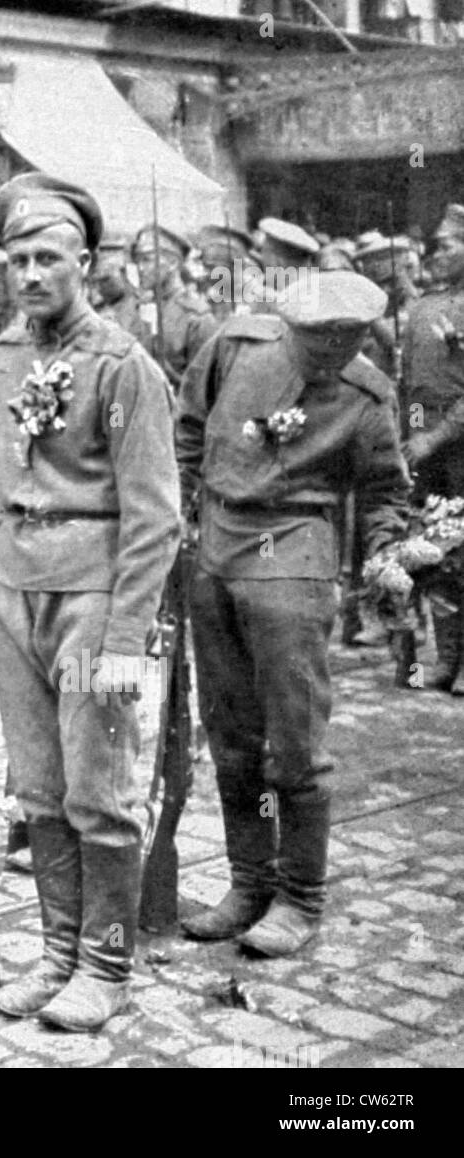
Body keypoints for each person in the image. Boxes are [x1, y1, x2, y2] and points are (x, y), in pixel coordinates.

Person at [0, 172, 180, 1030]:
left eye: (49, 257)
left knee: (99, 788)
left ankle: (104, 963)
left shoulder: (122, 368)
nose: (32, 274)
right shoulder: (4, 354)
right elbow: (5, 482)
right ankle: (55, 953)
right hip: (15, 591)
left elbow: (155, 517)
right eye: (18, 259)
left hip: (91, 591)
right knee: (39, 788)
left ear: (85, 262)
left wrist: (125, 637)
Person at [177, 272, 409, 955]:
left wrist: (385, 554)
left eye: (349, 340)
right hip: (216, 548)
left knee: (294, 742)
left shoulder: (368, 396)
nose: (330, 353)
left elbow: (383, 491)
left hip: (294, 553)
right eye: (316, 339)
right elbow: (188, 429)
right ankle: (248, 882)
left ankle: (299, 898)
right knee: (230, 735)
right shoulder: (234, 346)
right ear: (288, 326)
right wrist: (186, 513)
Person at [402, 207, 464, 694]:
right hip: (428, 452)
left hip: (457, 444)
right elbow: (413, 386)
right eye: (434, 246)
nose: (435, 255)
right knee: (434, 549)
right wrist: (412, 437)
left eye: (447, 245)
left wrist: (434, 437)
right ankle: (445, 660)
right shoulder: (422, 308)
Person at [131, 223, 217, 387]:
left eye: (147, 260)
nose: (140, 269)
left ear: (172, 263)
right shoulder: (139, 310)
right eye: (138, 261)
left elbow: (204, 387)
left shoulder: (196, 317)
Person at [88, 228, 144, 339]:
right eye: (94, 283)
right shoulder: (96, 309)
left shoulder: (143, 307)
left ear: (123, 272)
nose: (99, 289)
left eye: (105, 280)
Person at [194, 225, 258, 320]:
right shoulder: (203, 288)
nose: (208, 273)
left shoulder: (252, 292)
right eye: (208, 266)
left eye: (212, 267)